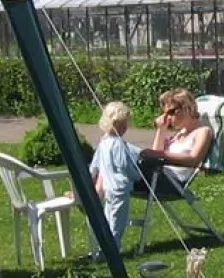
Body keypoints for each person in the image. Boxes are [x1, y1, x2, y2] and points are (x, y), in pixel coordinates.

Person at [86, 101, 140, 250]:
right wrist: (138, 176)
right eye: (122, 125)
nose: (124, 128)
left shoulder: (104, 142)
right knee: (117, 222)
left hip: (108, 187)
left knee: (109, 217)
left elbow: (94, 166)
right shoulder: (119, 144)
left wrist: (91, 178)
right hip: (120, 188)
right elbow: (125, 167)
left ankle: (104, 248)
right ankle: (113, 249)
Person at [137, 88, 214, 192]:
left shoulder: (203, 132)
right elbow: (156, 154)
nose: (168, 118)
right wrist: (161, 129)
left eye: (171, 112)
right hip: (158, 176)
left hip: (172, 182)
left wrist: (162, 155)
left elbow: (194, 160)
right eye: (165, 114)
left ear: (187, 108)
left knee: (122, 169)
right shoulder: (179, 134)